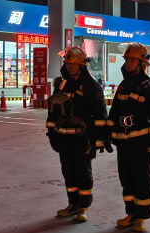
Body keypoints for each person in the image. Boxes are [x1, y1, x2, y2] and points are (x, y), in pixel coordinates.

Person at [46, 46, 108, 222]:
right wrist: (51, 133)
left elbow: (101, 115)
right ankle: (72, 204)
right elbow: (52, 111)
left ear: (82, 65)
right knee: (68, 172)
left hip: (83, 139)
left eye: (73, 64)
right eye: (67, 64)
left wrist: (98, 141)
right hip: (63, 138)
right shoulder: (62, 84)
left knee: (83, 173)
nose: (70, 67)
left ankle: (84, 207)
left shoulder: (91, 86)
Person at [106, 42, 150, 233]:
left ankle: (141, 218)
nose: (128, 63)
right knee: (126, 179)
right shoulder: (123, 86)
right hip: (123, 142)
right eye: (127, 60)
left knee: (141, 180)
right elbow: (114, 112)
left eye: (132, 60)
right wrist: (108, 134)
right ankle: (131, 213)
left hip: (141, 143)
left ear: (141, 63)